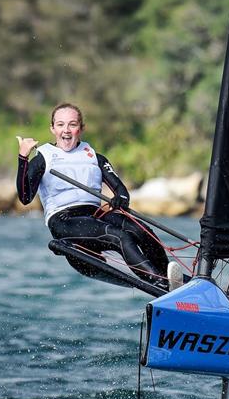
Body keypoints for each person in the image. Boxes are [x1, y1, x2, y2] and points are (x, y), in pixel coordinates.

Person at [16, 102, 182, 290]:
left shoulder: (95, 157)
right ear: (53, 129)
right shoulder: (43, 158)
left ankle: (168, 278)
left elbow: (121, 190)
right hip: (64, 220)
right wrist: (23, 157)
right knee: (119, 237)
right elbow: (25, 197)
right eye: (60, 125)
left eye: (72, 124)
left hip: (94, 215)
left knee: (142, 231)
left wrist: (120, 199)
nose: (66, 130)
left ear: (81, 128)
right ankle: (159, 283)